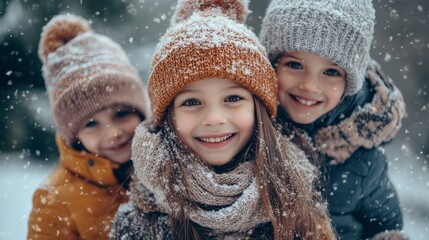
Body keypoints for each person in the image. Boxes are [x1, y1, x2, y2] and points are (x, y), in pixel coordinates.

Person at [110, 0, 335, 239]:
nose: (214, 118)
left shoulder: (295, 200)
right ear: (167, 118)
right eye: (192, 102)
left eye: (233, 98)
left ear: (258, 108)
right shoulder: (139, 224)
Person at [259, 0, 407, 239]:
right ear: (270, 65)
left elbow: (385, 225)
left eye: (331, 72)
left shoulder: (362, 159)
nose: (309, 85)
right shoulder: (249, 135)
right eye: (295, 64)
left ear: (350, 83)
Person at [27, 13, 150, 239]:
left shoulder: (169, 167)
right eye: (91, 123)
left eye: (122, 113)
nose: (113, 132)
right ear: (73, 135)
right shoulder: (54, 201)